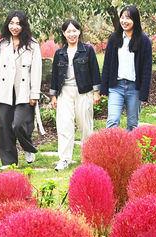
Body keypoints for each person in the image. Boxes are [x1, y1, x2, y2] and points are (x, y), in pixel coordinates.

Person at [0, 10, 42, 167]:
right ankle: (9, 162)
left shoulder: (32, 45)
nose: (14, 27)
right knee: (4, 127)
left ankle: (27, 146)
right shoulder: (2, 44)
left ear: (23, 25)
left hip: (24, 90)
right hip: (5, 90)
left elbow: (36, 71)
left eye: (18, 23)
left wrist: (34, 93)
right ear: (7, 24)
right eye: (11, 23)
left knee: (18, 124)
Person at [50, 19, 101, 171]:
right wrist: (54, 96)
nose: (72, 34)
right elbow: (54, 76)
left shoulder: (88, 50)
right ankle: (64, 159)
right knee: (64, 126)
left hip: (83, 91)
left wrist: (96, 92)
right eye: (68, 31)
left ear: (79, 32)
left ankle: (88, 158)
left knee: (85, 125)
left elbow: (95, 71)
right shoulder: (59, 53)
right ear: (63, 33)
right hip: (64, 92)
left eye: (74, 31)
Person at [100, 5, 153, 131]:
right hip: (116, 87)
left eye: (128, 18)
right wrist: (103, 88)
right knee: (112, 121)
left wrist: (144, 92)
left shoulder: (144, 40)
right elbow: (107, 63)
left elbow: (147, 69)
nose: (124, 21)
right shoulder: (114, 38)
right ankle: (112, 150)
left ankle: (130, 150)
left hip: (135, 88)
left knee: (132, 124)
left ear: (135, 20)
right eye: (122, 17)